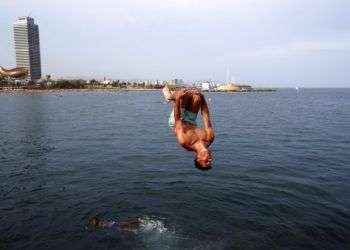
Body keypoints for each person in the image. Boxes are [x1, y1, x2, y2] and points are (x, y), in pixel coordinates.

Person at [163, 86, 215, 170]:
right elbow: (205, 115)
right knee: (197, 98)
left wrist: (178, 98)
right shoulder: (210, 138)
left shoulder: (185, 142)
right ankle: (173, 97)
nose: (210, 159)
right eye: (211, 162)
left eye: (206, 162)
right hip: (191, 120)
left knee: (184, 95)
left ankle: (169, 96)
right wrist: (203, 97)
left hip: (177, 121)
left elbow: (177, 119)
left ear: (198, 158)